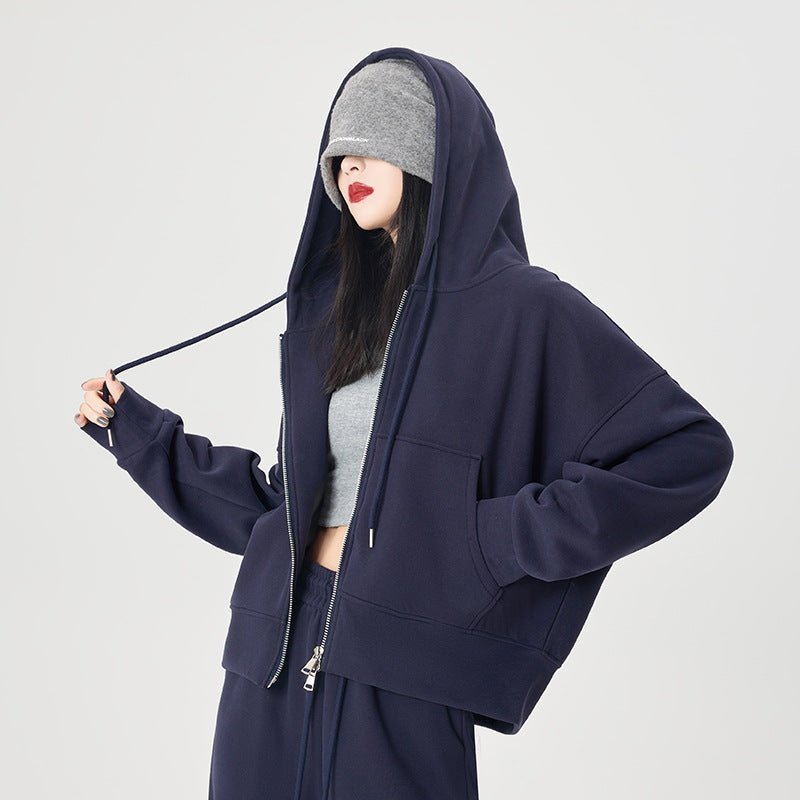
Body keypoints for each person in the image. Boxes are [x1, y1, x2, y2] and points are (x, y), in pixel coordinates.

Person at [75, 47, 734, 800]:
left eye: (375, 139)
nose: (349, 163)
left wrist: (490, 538)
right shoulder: (338, 315)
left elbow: (687, 450)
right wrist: (138, 434)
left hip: (403, 677)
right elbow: (282, 510)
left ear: (432, 151)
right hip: (267, 667)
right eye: (340, 149)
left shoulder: (524, 307)